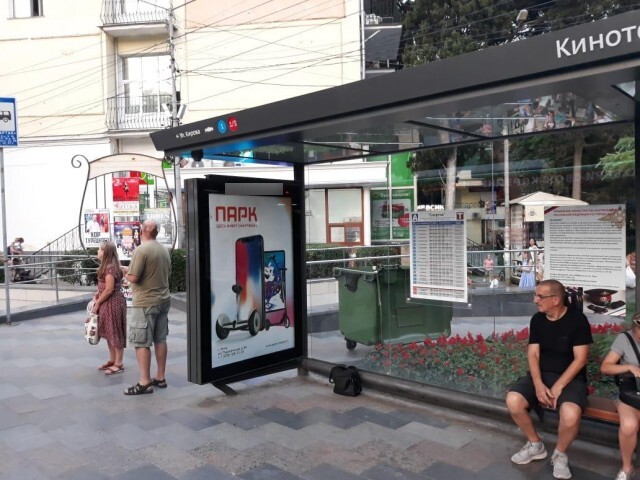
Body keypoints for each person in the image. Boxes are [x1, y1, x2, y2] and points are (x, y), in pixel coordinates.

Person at [506, 280, 593, 479]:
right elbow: (533, 354)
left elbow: (581, 359)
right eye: (535, 295)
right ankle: (535, 445)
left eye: (540, 296)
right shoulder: (537, 319)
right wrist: (538, 385)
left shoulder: (577, 320)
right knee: (513, 400)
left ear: (555, 299)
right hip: (542, 374)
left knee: (570, 414)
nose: (535, 300)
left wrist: (558, 387)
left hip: (571, 378)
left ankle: (560, 454)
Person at [123, 220, 171, 396]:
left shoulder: (141, 250)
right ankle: (160, 377)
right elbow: (165, 273)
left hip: (145, 302)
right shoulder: (164, 250)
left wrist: (125, 272)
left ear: (142, 231)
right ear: (156, 232)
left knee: (141, 341)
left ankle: (144, 382)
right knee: (160, 339)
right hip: (163, 300)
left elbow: (134, 277)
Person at [600, 313, 640, 480]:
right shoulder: (625, 339)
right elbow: (605, 367)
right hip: (631, 392)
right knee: (629, 425)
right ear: (634, 330)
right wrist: (629, 367)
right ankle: (627, 468)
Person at [93, 241, 127, 375]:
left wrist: (97, 302)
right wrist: (97, 294)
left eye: (99, 249)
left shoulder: (110, 269)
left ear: (105, 252)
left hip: (113, 303)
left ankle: (119, 363)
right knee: (109, 332)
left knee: (115, 332)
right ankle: (113, 360)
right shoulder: (108, 267)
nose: (97, 252)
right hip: (109, 302)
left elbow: (109, 289)